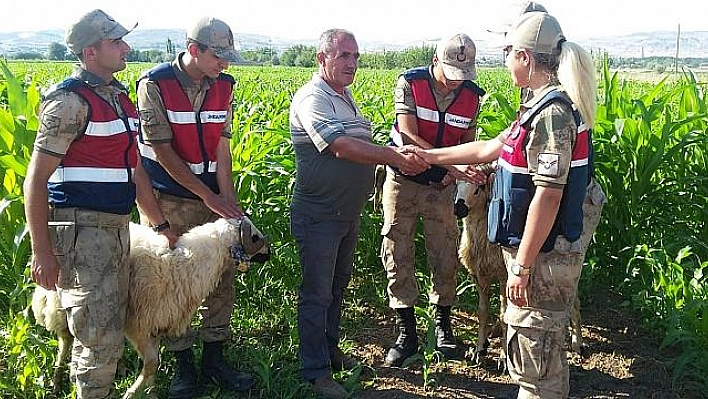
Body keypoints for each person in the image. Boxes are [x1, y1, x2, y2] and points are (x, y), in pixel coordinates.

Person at [416, 12, 606, 398]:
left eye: (507, 52)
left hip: (542, 260)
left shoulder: (552, 116)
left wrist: (519, 267)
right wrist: (429, 156)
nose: (504, 61)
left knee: (538, 358)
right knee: (537, 359)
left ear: (524, 57)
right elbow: (488, 148)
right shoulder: (538, 106)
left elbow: (548, 195)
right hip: (537, 255)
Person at [23, 9, 176, 398]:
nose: (126, 47)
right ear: (90, 52)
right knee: (99, 335)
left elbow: (135, 169)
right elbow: (36, 180)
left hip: (116, 229)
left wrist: (159, 225)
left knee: (108, 326)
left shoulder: (117, 97)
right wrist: (42, 251)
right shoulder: (70, 103)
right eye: (116, 42)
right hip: (82, 233)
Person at [289, 28, 429, 399]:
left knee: (336, 287)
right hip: (319, 214)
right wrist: (393, 156)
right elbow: (338, 146)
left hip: (344, 213)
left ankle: (330, 352)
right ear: (322, 59)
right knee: (317, 292)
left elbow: (361, 142)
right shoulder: (313, 98)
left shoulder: (344, 96)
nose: (352, 63)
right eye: (343, 56)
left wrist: (393, 151)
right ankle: (315, 371)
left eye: (355, 56)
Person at [135, 16, 254, 398]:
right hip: (171, 198)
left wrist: (228, 201)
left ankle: (215, 359)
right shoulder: (155, 85)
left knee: (221, 277)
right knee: (174, 283)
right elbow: (163, 151)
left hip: (211, 195)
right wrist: (208, 197)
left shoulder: (225, 86)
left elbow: (221, 145)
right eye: (218, 56)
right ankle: (183, 365)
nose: (225, 64)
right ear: (193, 50)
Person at [380, 33, 486, 366]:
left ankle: (443, 329)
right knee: (398, 250)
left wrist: (460, 169)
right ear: (435, 60)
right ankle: (406, 332)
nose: (456, 83)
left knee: (446, 252)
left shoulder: (472, 96)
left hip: (443, 185)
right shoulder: (410, 83)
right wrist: (452, 164)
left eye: (463, 75)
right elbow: (408, 134)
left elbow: (468, 141)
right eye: (451, 73)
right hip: (404, 180)